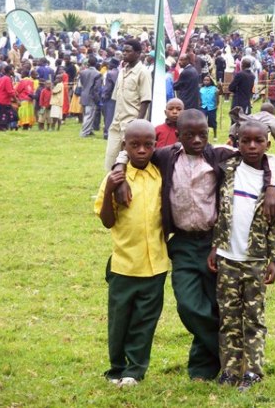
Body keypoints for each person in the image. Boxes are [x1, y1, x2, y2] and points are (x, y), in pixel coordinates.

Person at [112, 109, 275, 382]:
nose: (197, 140)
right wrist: (119, 169)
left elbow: (267, 156)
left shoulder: (220, 156)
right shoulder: (165, 156)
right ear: (178, 136)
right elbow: (130, 152)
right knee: (190, 306)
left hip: (214, 243)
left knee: (213, 303)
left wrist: (273, 186)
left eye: (202, 134)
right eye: (189, 135)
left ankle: (203, 368)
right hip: (182, 244)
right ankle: (226, 347)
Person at [207, 120, 275, 391]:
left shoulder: (272, 179)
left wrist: (274, 259)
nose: (252, 146)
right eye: (245, 141)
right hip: (227, 258)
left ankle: (253, 371)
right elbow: (220, 211)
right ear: (236, 143)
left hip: (254, 260)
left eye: (258, 141)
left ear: (268, 143)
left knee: (253, 318)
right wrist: (215, 247)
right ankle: (229, 369)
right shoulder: (228, 169)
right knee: (228, 317)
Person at [95, 119, 168, 388]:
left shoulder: (159, 174)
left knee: (145, 322)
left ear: (154, 146)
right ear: (124, 145)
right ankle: (117, 367)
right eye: (134, 145)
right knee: (119, 322)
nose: (141, 150)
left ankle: (135, 370)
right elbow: (107, 221)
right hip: (124, 265)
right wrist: (112, 189)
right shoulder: (115, 177)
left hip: (156, 266)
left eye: (147, 145)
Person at [104, 39, 152, 170]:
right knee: (111, 161)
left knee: (130, 163)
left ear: (137, 53)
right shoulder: (122, 71)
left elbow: (146, 100)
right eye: (123, 51)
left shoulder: (143, 72)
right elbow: (116, 99)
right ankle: (110, 189)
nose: (124, 54)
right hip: (117, 124)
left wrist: (137, 126)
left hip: (131, 124)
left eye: (128, 51)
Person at [79, 55, 102, 138]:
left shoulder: (82, 72)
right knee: (89, 115)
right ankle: (84, 133)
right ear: (96, 64)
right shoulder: (98, 74)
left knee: (86, 114)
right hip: (91, 96)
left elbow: (82, 83)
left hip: (83, 94)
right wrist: (97, 100)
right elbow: (96, 88)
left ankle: (89, 130)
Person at [102, 58, 120, 139]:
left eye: (110, 64)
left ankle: (107, 133)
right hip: (118, 97)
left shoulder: (110, 73)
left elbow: (108, 87)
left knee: (108, 116)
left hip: (110, 97)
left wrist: (104, 96)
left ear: (113, 64)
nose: (108, 65)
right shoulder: (120, 72)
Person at [0, 64, 18, 132]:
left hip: (1, 99)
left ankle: (4, 127)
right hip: (3, 100)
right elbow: (10, 92)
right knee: (12, 115)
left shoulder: (2, 78)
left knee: (3, 114)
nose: (13, 71)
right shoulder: (7, 79)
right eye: (13, 70)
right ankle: (3, 127)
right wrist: (17, 100)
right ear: (10, 71)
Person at [200, 75, 219, 140]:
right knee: (203, 121)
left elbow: (218, 97)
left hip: (212, 107)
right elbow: (199, 98)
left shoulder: (214, 89)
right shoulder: (201, 89)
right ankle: (205, 134)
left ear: (210, 81)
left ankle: (215, 135)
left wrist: (217, 105)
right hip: (203, 107)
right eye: (204, 80)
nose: (206, 81)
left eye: (207, 80)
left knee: (212, 121)